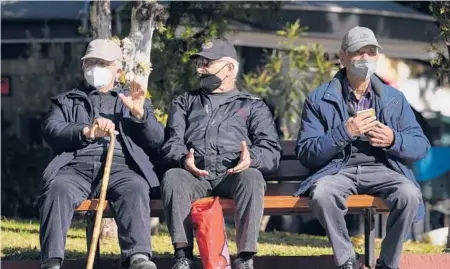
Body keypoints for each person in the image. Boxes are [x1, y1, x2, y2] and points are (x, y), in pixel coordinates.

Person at [295, 26, 430, 269]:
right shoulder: (319, 98)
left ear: (378, 56)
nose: (365, 59)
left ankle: (388, 262)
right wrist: (345, 132)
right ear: (343, 57)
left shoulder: (393, 98)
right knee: (322, 195)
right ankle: (347, 259)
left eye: (371, 52)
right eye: (359, 53)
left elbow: (421, 146)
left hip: (383, 169)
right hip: (337, 170)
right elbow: (306, 152)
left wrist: (393, 139)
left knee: (409, 194)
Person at [39, 39, 164, 269]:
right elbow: (51, 129)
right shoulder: (67, 100)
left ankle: (138, 258)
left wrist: (140, 115)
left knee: (136, 188)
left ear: (118, 70)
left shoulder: (131, 100)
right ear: (82, 67)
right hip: (76, 167)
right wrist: (86, 131)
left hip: (122, 167)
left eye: (103, 63)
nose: (95, 68)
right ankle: (51, 261)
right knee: (58, 189)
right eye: (91, 62)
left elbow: (157, 140)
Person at [160, 38, 281, 269]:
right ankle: (183, 256)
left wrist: (251, 158)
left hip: (233, 174)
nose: (200, 69)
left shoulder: (252, 105)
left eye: (207, 63)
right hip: (196, 175)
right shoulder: (185, 102)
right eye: (199, 63)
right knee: (173, 177)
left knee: (253, 177)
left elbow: (271, 151)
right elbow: (172, 142)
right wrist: (183, 160)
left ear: (230, 68)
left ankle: (245, 258)